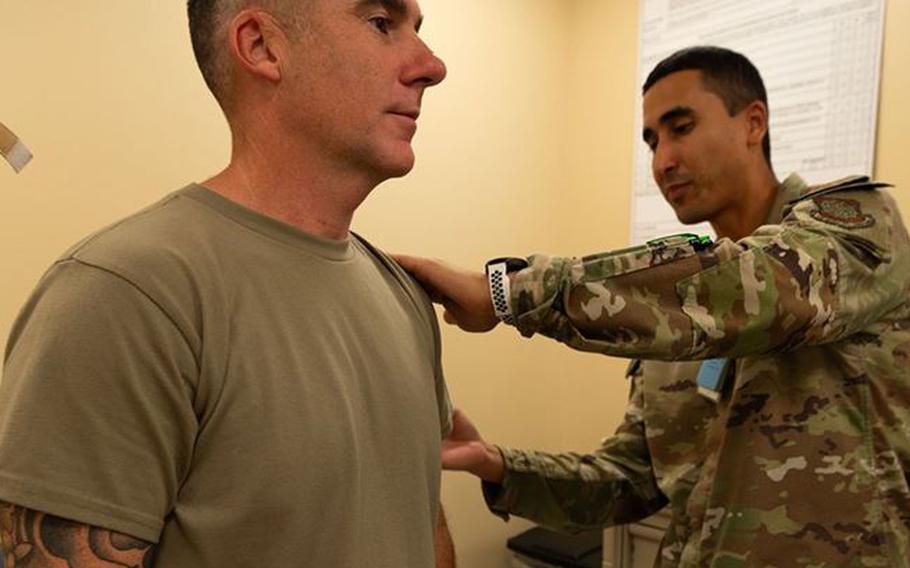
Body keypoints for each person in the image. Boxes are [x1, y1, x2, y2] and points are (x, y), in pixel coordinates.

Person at [397, 46, 910, 566]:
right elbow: (633, 479)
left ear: (754, 123)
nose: (663, 161)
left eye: (680, 128)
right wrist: (498, 466)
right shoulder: (670, 313)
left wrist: (510, 292)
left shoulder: (855, 222)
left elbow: (759, 287)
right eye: (651, 141)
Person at [0, 1, 455, 566]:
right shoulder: (124, 295)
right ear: (262, 46)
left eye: (418, 29)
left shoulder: (401, 293)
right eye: (381, 24)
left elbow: (418, 520)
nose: (431, 66)